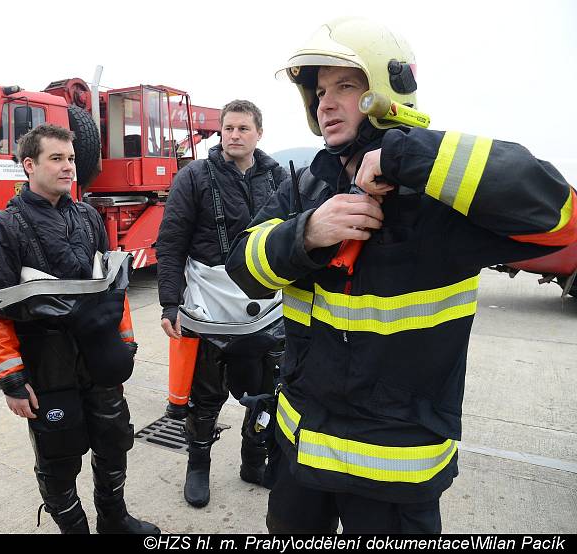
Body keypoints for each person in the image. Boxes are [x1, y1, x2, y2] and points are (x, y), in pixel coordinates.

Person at [225, 16, 577, 533]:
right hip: (302, 457)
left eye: (345, 85)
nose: (325, 102)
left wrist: (408, 156)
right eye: (320, 90)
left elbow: (560, 218)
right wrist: (304, 235)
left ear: (385, 89)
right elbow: (243, 267)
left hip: (396, 467)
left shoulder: (442, 194)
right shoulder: (307, 187)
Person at [0, 123, 159, 535]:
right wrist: (12, 381)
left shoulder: (89, 216)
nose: (67, 167)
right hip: (46, 366)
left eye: (70, 158)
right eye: (56, 158)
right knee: (59, 457)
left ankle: (114, 519)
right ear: (28, 165)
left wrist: (123, 345)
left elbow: (111, 286)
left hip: (99, 358)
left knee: (113, 442)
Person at [156, 100, 288, 508]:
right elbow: (172, 240)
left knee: (267, 394)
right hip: (207, 308)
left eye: (243, 128)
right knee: (205, 397)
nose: (234, 135)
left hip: (266, 307)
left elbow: (292, 238)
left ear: (258, 133)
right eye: (228, 128)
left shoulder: (279, 177)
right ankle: (198, 465)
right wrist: (169, 302)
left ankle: (254, 460)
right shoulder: (193, 175)